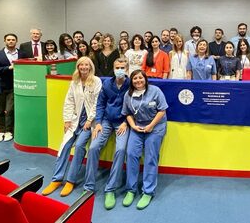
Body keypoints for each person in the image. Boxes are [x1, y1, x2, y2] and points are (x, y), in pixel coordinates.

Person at [41, 57, 102, 197]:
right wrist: (67, 120)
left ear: (90, 66)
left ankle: (71, 180)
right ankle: (56, 179)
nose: (84, 67)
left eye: (87, 65)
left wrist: (90, 119)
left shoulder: (96, 81)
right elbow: (69, 101)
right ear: (78, 67)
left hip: (88, 123)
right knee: (65, 146)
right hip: (75, 121)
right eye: (81, 65)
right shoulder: (74, 81)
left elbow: (97, 103)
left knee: (80, 146)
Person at [83, 57, 130, 210]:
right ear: (113, 68)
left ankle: (110, 189)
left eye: (122, 67)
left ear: (127, 69)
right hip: (106, 121)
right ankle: (89, 186)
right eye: (117, 67)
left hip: (123, 123)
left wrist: (126, 122)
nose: (120, 70)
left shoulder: (132, 84)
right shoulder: (107, 84)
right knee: (94, 147)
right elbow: (101, 104)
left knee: (121, 150)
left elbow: (136, 105)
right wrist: (97, 123)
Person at [121, 70, 168, 210]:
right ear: (131, 81)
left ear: (145, 79)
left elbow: (162, 110)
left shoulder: (155, 91)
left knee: (150, 157)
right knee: (130, 154)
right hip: (137, 127)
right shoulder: (127, 95)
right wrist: (133, 126)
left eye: (140, 77)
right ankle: (130, 189)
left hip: (155, 127)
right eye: (135, 78)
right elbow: (127, 113)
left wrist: (151, 126)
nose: (138, 81)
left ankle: (148, 191)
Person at [0, 33, 27, 143]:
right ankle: (1, 131)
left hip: (15, 86)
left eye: (13, 39)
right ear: (5, 41)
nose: (11, 41)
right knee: (0, 110)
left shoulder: (22, 54)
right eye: (8, 40)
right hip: (0, 86)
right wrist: (8, 68)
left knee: (10, 110)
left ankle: (9, 131)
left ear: (16, 41)